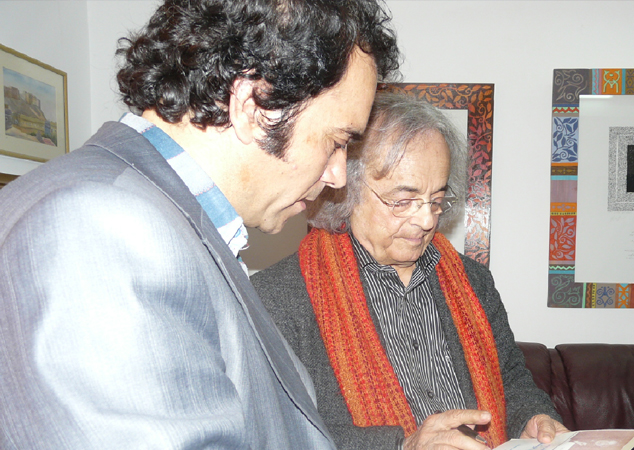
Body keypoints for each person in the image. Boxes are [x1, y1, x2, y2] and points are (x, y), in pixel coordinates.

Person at [0, 0, 399, 448]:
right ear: (252, 105)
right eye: (337, 141)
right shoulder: (100, 227)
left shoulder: (171, 222)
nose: (337, 175)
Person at [252, 92, 568, 450]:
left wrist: (533, 417)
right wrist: (402, 447)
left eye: (437, 200)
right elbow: (279, 430)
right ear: (348, 190)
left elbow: (511, 378)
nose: (426, 220)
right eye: (403, 201)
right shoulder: (279, 298)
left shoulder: (474, 282)